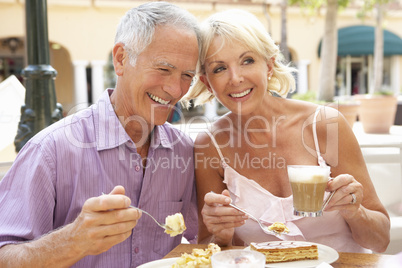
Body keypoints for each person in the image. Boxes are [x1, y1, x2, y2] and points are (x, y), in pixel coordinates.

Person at [0, 2, 200, 267]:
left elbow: (200, 240)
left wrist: (219, 226)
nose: (176, 89)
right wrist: (73, 241)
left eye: (187, 75)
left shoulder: (184, 150)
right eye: (163, 69)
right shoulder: (51, 150)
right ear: (121, 59)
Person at [185, 9, 390, 253]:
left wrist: (355, 211)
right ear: (207, 82)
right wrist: (221, 236)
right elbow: (208, 247)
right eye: (219, 68)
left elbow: (381, 240)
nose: (236, 78)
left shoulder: (324, 125)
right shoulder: (210, 146)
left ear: (269, 66)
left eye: (247, 60)